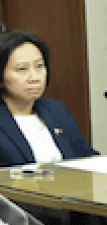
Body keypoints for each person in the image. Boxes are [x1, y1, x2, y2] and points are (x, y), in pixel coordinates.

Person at [0, 30, 98, 166]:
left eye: (39, 66)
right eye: (22, 69)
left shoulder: (55, 110)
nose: (35, 77)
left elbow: (87, 157)